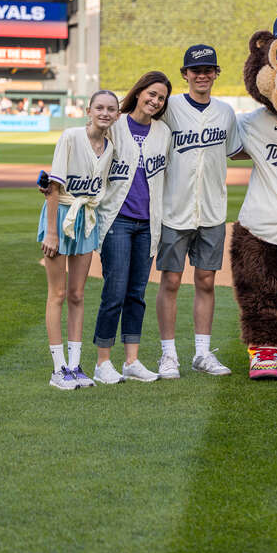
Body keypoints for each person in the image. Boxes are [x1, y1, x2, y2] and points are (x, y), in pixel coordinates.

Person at [155, 45, 242, 378]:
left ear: (216, 73)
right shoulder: (171, 107)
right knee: (172, 281)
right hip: (174, 208)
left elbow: (235, 150)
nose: (202, 75)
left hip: (212, 210)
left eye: (208, 69)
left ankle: (202, 354)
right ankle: (168, 355)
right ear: (185, 74)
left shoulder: (225, 112)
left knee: (206, 281)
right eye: (196, 70)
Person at [93, 72, 172, 384]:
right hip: (118, 221)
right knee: (114, 291)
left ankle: (132, 360)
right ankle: (103, 362)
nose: (154, 101)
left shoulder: (163, 132)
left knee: (137, 294)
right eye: (151, 94)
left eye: (161, 98)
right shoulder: (116, 125)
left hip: (147, 224)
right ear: (139, 92)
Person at [38, 90, 119, 389]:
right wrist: (51, 232)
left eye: (111, 109)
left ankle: (75, 364)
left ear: (117, 115)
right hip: (60, 216)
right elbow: (53, 187)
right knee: (57, 294)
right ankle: (58, 368)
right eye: (99, 107)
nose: (105, 113)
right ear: (88, 110)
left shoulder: (110, 147)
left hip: (86, 220)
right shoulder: (71, 137)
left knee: (77, 295)